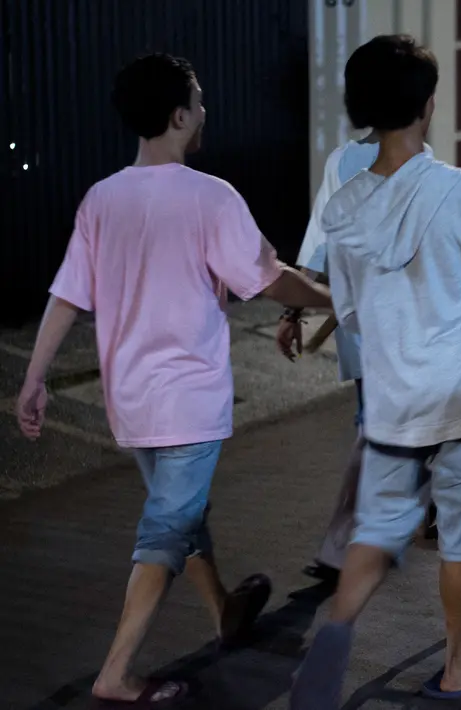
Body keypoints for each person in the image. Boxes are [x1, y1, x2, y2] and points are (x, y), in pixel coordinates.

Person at [14, 53, 334, 706]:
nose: (206, 111)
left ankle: (221, 611)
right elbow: (268, 280)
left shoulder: (103, 198)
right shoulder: (210, 196)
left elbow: (67, 295)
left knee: (179, 515)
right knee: (165, 531)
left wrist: (34, 376)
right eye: (200, 99)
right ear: (180, 115)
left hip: (129, 401)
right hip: (187, 397)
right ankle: (117, 673)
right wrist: (336, 298)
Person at [288, 35, 461, 708]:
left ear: (360, 107)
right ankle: (459, 666)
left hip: (393, 410)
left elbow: (347, 313)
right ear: (427, 106)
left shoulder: (343, 209)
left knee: (376, 532)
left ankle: (334, 633)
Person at [276, 130, 382, 584]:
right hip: (393, 323)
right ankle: (343, 543)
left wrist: (293, 310)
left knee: (374, 422)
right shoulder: (417, 160)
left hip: (362, 319)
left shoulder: (342, 159)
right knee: (376, 426)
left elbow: (318, 241)